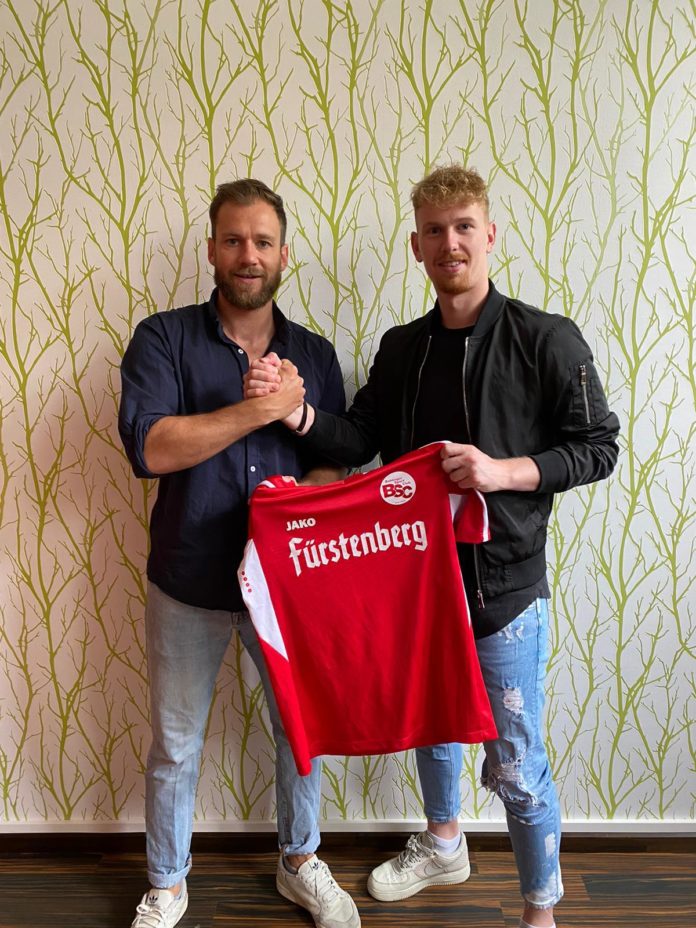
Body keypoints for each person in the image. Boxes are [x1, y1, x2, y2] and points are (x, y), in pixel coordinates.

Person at [245, 165, 620, 928]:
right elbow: (361, 439)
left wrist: (502, 472)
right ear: (416, 247)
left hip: (506, 592)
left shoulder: (547, 339)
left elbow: (598, 447)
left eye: (464, 227)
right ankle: (445, 842)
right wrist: (294, 413)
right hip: (418, 587)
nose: (451, 243)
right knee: (434, 722)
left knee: (517, 765)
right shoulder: (403, 348)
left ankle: (539, 913)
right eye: (435, 231)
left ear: (490, 235)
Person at [118, 178, 360, 928]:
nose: (247, 255)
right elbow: (153, 448)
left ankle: (300, 861)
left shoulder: (313, 354)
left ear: (284, 255)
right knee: (176, 743)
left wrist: (299, 496)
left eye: (262, 241)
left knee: (300, 730)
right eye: (233, 240)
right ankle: (166, 884)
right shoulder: (163, 338)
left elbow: (336, 460)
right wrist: (259, 410)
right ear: (211, 250)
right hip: (187, 578)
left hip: (285, 586)